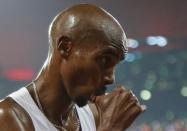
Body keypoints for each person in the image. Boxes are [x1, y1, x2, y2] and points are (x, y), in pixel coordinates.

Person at [0, 4, 146, 131]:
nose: (111, 78)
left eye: (115, 65)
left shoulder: (95, 115)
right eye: (104, 60)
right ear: (65, 48)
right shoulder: (8, 119)